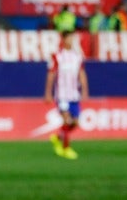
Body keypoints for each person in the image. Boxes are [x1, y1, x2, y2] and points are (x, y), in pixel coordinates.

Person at [44, 30, 89, 160]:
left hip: (74, 94)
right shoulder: (57, 56)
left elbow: (81, 73)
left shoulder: (77, 56)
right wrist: (48, 93)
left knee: (75, 123)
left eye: (72, 38)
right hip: (62, 94)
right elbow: (51, 75)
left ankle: (58, 137)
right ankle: (66, 148)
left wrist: (85, 90)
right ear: (63, 39)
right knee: (66, 120)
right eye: (69, 38)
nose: (71, 40)